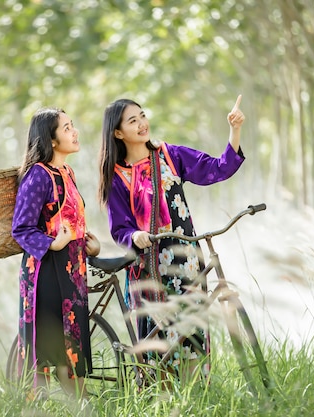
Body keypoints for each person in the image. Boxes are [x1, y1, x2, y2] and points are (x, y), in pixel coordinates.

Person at [97, 95, 245, 384]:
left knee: (192, 334)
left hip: (187, 263)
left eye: (142, 116)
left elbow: (217, 168)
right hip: (149, 270)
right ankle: (161, 401)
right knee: (159, 341)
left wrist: (235, 131)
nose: (142, 124)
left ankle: (194, 400)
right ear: (117, 132)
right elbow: (120, 229)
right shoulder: (117, 177)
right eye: (132, 120)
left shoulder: (169, 155)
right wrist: (135, 235)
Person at [12, 107, 100, 399]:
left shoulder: (67, 172)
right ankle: (67, 406)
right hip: (46, 275)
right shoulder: (38, 176)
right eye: (66, 128)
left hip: (72, 271)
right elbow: (21, 228)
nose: (74, 132)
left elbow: (70, 222)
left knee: (70, 347)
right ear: (50, 140)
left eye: (72, 126)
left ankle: (79, 405)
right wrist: (53, 244)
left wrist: (88, 243)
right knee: (54, 351)